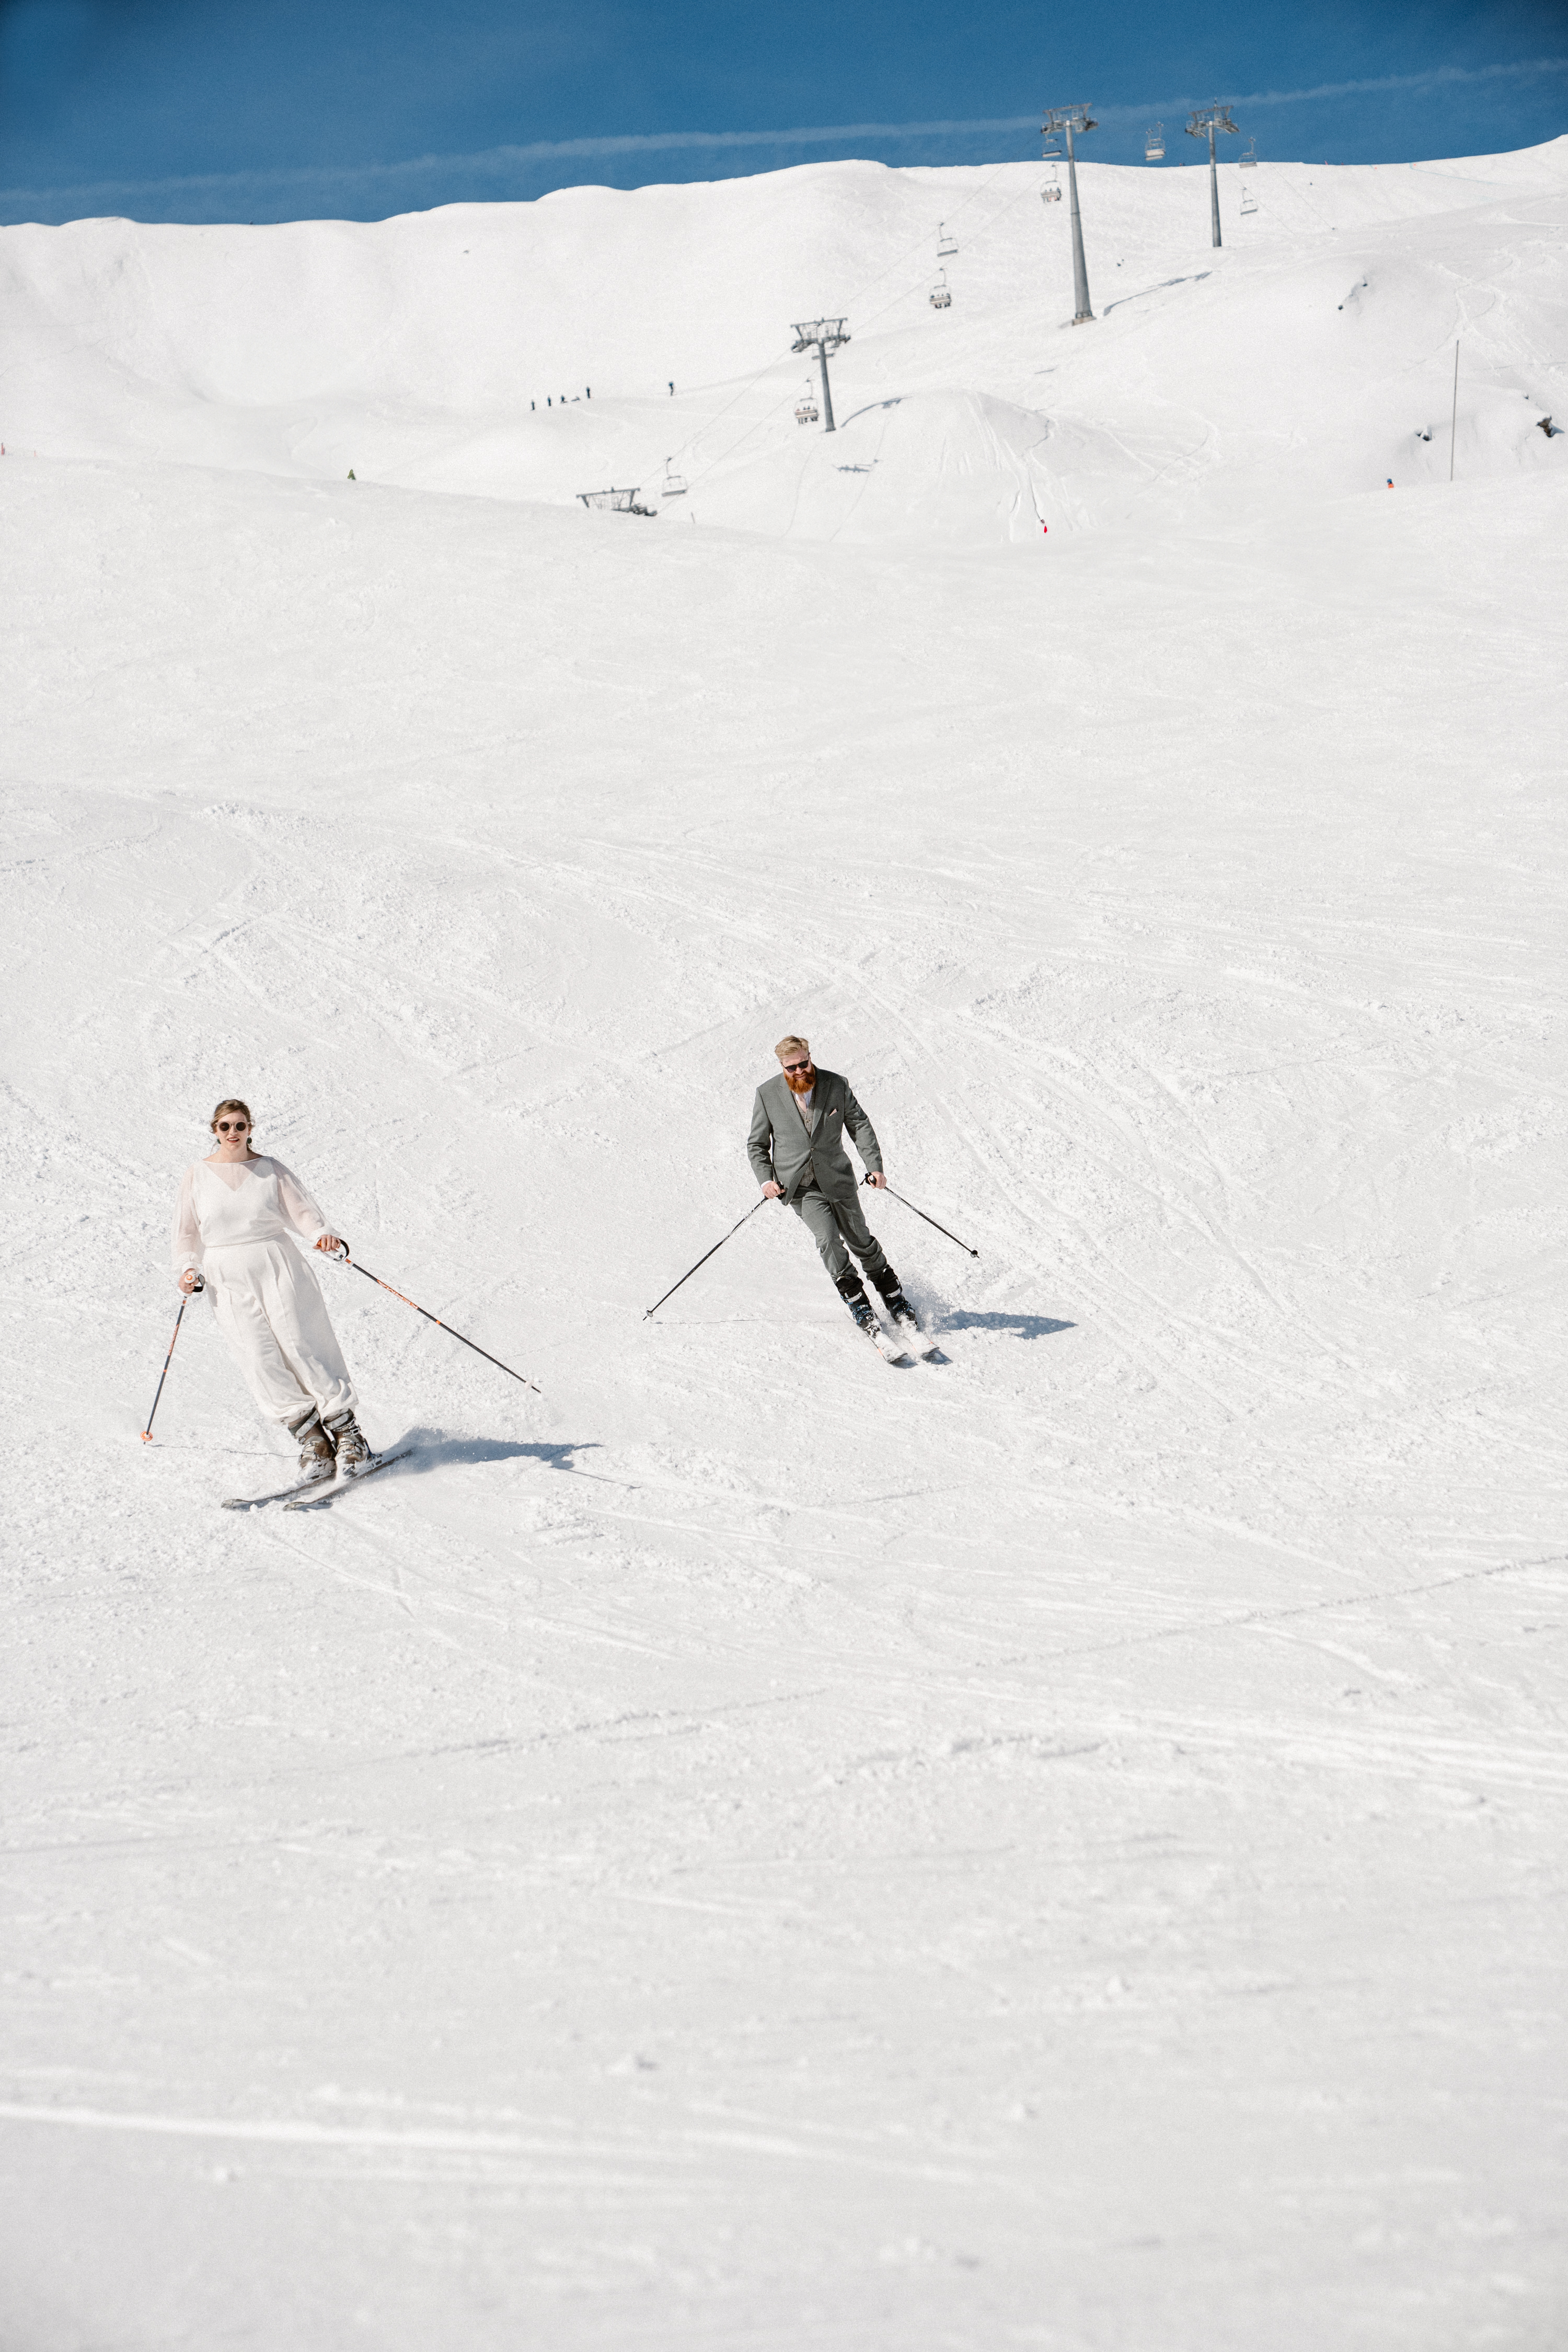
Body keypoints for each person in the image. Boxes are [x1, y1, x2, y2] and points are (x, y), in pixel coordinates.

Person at [171, 1099, 372, 1481]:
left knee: (301, 1344)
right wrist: (187, 1268)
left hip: (276, 1262)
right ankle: (314, 1443)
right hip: (224, 1272)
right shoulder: (196, 1175)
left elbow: (303, 1212)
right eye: (226, 1126)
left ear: (251, 1129)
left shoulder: (269, 1169)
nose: (233, 1133)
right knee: (258, 1356)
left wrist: (322, 1235)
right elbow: (186, 1232)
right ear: (214, 1130)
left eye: (241, 1126)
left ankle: (349, 1435)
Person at [747, 1036, 921, 1347]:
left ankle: (895, 1298)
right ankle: (859, 1304)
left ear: (810, 1057)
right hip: (800, 1186)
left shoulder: (835, 1084)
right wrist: (766, 1180)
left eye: (804, 1063)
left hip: (837, 1179)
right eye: (792, 1067)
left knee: (859, 1238)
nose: (800, 1071)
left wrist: (875, 1166)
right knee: (828, 1239)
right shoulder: (766, 1094)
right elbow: (757, 1144)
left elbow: (859, 1124)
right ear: (782, 1066)